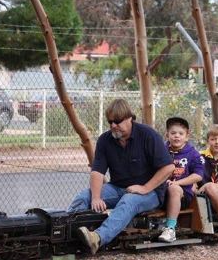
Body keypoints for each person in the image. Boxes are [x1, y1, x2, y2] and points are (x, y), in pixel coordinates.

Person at [67, 99, 175, 255]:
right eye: (110, 122)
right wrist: (96, 197)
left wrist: (145, 188)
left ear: (129, 118)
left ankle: (97, 238)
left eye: (117, 121)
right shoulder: (105, 140)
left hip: (150, 193)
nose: (113, 126)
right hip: (117, 187)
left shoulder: (148, 135)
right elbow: (97, 172)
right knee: (84, 196)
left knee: (129, 200)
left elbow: (168, 167)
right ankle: (67, 233)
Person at [158, 117, 204, 243]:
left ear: (187, 136)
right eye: (173, 133)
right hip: (160, 191)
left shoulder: (193, 154)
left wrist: (177, 182)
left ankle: (170, 228)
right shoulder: (161, 150)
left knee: (173, 188)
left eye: (180, 133)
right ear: (167, 135)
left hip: (182, 195)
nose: (176, 136)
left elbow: (198, 175)